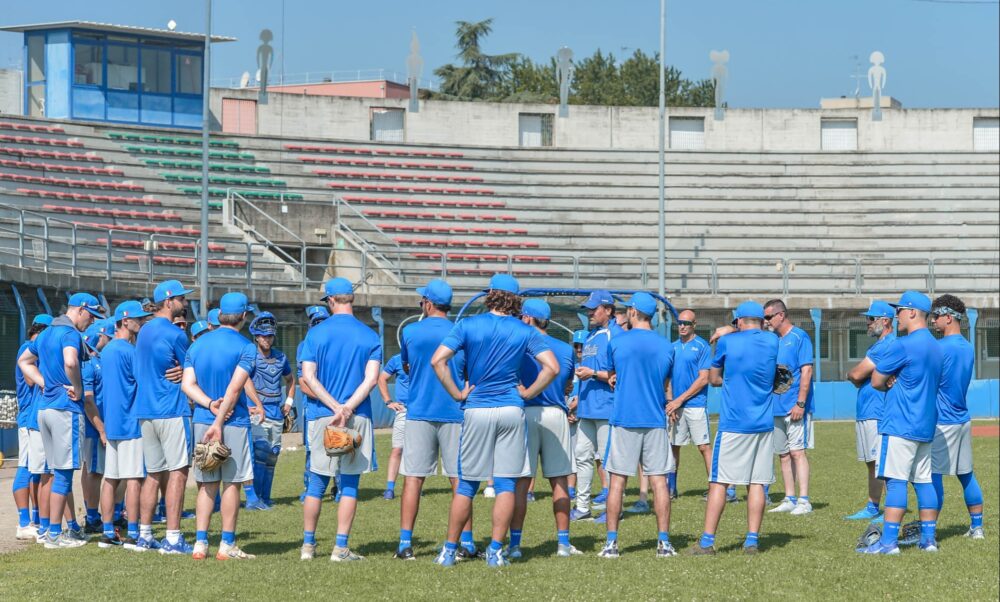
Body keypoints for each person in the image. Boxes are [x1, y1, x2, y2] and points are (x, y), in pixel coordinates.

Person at [431, 274, 558, 567]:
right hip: (511, 409)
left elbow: (437, 360)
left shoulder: (467, 325)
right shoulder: (524, 330)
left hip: (477, 409)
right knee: (505, 485)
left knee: (466, 485)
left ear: (490, 295)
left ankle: (449, 551)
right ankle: (496, 551)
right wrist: (527, 392)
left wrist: (457, 393)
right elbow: (550, 367)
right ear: (516, 300)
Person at [298, 278, 382, 562]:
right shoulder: (370, 335)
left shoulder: (316, 334)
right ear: (352, 300)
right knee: (349, 484)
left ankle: (308, 547)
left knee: (316, 484)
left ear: (331, 301)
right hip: (357, 415)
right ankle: (340, 548)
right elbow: (371, 380)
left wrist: (334, 406)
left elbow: (309, 377)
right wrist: (346, 408)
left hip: (324, 415)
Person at [396, 279, 477, 561]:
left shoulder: (411, 331)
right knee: (461, 482)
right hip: (456, 412)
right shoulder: (461, 331)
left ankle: (405, 543)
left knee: (413, 480)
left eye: (422, 301)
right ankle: (466, 542)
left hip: (419, 411)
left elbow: (406, 365)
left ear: (428, 304)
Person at [692, 301, 778, 555]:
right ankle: (752, 540)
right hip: (763, 423)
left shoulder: (728, 343)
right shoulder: (772, 342)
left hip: (734, 424)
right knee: (757, 483)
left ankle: (707, 542)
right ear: (761, 321)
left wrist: (723, 335)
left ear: (739, 321)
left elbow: (714, 378)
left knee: (719, 482)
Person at [17, 293, 103, 548]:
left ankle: (52, 530)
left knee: (53, 472)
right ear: (80, 310)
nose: (91, 322)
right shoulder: (69, 333)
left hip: (44, 409)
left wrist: (45, 383)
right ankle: (55, 534)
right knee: (63, 473)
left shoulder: (45, 334)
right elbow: (70, 360)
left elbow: (24, 361)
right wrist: (76, 386)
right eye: (91, 315)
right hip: (65, 409)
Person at [862, 291, 943, 554]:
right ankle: (928, 540)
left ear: (911, 312)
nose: (896, 315)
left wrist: (889, 379)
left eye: (899, 311)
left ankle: (888, 543)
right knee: (923, 481)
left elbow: (875, 380)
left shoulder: (904, 344)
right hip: (925, 424)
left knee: (896, 481)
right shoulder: (936, 346)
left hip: (900, 422)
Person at [599, 292, 677, 559]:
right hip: (655, 420)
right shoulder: (667, 346)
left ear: (632, 312)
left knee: (617, 482)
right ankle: (664, 543)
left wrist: (616, 378)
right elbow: (666, 382)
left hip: (624, 419)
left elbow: (612, 373)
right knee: (659, 482)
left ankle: (611, 543)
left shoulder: (618, 342)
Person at [183, 292, 259, 560]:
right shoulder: (246, 346)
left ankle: (200, 544)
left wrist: (210, 405)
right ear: (243, 316)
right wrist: (220, 419)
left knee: (206, 484)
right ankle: (226, 545)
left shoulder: (197, 345)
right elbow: (236, 388)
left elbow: (187, 385)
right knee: (232, 484)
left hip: (202, 419)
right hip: (233, 422)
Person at [510, 298, 582, 559]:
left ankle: (515, 545)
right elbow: (566, 386)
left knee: (521, 483)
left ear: (527, 318)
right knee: (560, 480)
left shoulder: (519, 345)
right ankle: (563, 544)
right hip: (556, 413)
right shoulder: (564, 349)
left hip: (526, 413)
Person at [133, 279, 194, 553]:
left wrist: (180, 371)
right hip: (171, 409)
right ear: (169, 302)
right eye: (181, 298)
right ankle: (172, 538)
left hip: (146, 411)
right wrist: (183, 373)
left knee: (153, 474)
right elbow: (193, 370)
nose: (184, 302)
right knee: (178, 474)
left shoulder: (143, 331)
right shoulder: (175, 333)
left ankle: (145, 535)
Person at [929, 294, 984, 540]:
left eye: (936, 316)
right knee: (966, 474)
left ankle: (929, 531)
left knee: (932, 475)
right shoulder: (967, 347)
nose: (932, 321)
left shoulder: (939, 348)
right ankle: (977, 527)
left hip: (942, 421)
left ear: (948, 317)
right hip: (962, 418)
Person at [97, 301, 151, 549]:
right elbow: (144, 383)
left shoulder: (106, 350)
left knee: (110, 478)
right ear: (124, 321)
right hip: (130, 423)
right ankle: (131, 532)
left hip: (112, 422)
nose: (141, 322)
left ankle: (107, 531)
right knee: (133, 479)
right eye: (137, 318)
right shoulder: (130, 351)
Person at [572, 290, 622, 522]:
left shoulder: (616, 335)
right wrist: (576, 397)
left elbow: (619, 374)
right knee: (582, 456)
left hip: (606, 408)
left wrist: (593, 374)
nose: (590, 312)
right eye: (589, 309)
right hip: (586, 407)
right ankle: (582, 507)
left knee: (610, 461)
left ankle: (614, 510)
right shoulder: (591, 336)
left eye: (594, 308)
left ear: (608, 310)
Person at [762, 299, 815, 516]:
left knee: (797, 452)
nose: (765, 322)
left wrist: (800, 403)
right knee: (782, 454)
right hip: (775, 407)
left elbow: (806, 372)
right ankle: (789, 497)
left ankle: (804, 500)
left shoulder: (799, 337)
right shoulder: (774, 341)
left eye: (768, 317)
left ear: (781, 315)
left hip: (794, 406)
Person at [845, 301, 895, 521]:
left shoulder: (887, 344)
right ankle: (873, 506)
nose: (867, 322)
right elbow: (858, 376)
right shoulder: (876, 346)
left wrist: (855, 375)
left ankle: (891, 510)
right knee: (871, 463)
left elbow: (856, 375)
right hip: (866, 411)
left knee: (883, 464)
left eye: (872, 319)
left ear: (885, 321)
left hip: (879, 411)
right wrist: (857, 375)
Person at [244, 312, 294, 510]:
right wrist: (255, 404)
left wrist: (289, 402)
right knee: (261, 452)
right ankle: (254, 499)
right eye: (263, 335)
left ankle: (266, 497)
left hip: (276, 412)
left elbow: (290, 380)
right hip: (257, 413)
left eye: (270, 335)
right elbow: (244, 379)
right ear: (256, 336)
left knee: (273, 454)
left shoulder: (281, 358)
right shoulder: (250, 357)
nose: (267, 339)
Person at [665, 309, 713, 501]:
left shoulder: (702, 346)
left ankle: (714, 488)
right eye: (680, 322)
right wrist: (670, 402)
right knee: (673, 446)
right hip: (675, 406)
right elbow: (666, 378)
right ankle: (671, 489)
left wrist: (679, 400)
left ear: (694, 325)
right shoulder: (672, 347)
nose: (682, 326)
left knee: (703, 447)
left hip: (696, 405)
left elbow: (703, 379)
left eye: (686, 323)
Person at [12, 314, 51, 540]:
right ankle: (23, 521)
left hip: (34, 416)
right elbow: (30, 379)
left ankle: (35, 518)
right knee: (25, 468)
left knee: (38, 470)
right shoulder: (28, 349)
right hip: (28, 418)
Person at [296, 305, 334, 503]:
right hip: (315, 408)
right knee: (313, 450)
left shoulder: (336, 342)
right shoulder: (304, 345)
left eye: (323, 321)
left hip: (335, 407)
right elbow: (303, 383)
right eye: (315, 321)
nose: (319, 325)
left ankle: (339, 487)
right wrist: (328, 398)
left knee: (340, 447)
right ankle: (309, 487)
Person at [80, 319, 113, 535]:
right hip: (93, 425)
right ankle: (91, 518)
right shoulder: (89, 364)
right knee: (93, 471)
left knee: (95, 471)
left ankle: (95, 515)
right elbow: (88, 400)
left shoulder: (97, 361)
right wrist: (101, 428)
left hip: (98, 423)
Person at [378, 353, 408, 501]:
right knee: (397, 449)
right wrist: (388, 401)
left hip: (423, 411)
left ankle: (414, 487)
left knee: (418, 452)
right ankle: (390, 488)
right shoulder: (397, 359)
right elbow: (381, 378)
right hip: (403, 410)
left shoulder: (428, 357)